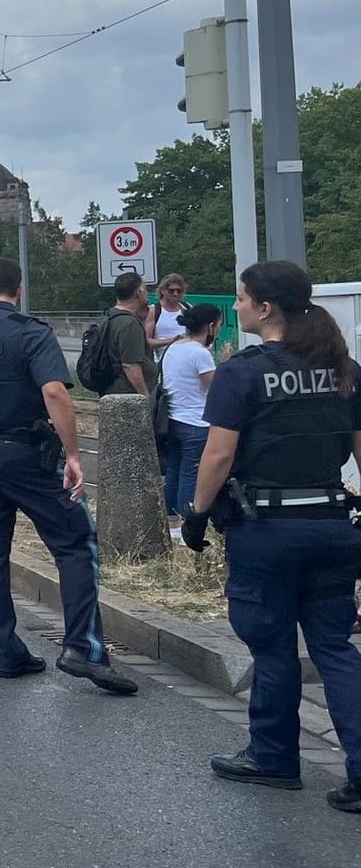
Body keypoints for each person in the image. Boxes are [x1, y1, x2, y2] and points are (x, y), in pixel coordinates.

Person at [181, 260, 361, 809]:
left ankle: (273, 757)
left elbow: (219, 453)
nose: (235, 307)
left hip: (267, 530)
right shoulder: (343, 369)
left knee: (273, 644)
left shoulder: (243, 372)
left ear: (265, 307)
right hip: (334, 526)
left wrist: (195, 513)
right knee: (336, 646)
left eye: (241, 299)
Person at [0, 258, 137, 694]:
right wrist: (73, 454)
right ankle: (84, 649)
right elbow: (54, 391)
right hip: (29, 458)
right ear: (18, 289)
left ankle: (6, 652)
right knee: (75, 545)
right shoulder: (30, 332)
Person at [160, 304, 221, 529]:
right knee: (191, 475)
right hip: (196, 422)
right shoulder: (200, 353)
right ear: (210, 326)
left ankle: (172, 522)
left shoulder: (174, 347)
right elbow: (215, 388)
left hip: (172, 420)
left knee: (174, 472)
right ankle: (188, 523)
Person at [101, 271, 157, 398]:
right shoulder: (129, 323)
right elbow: (130, 365)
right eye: (145, 290)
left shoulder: (110, 316)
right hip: (128, 395)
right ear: (139, 293)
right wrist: (145, 397)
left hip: (112, 391)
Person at [148, 272, 191, 355]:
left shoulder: (187, 308)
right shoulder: (154, 310)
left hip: (186, 356)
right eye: (171, 291)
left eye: (179, 291)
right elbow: (147, 341)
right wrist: (171, 341)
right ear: (162, 291)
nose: (175, 294)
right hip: (163, 358)